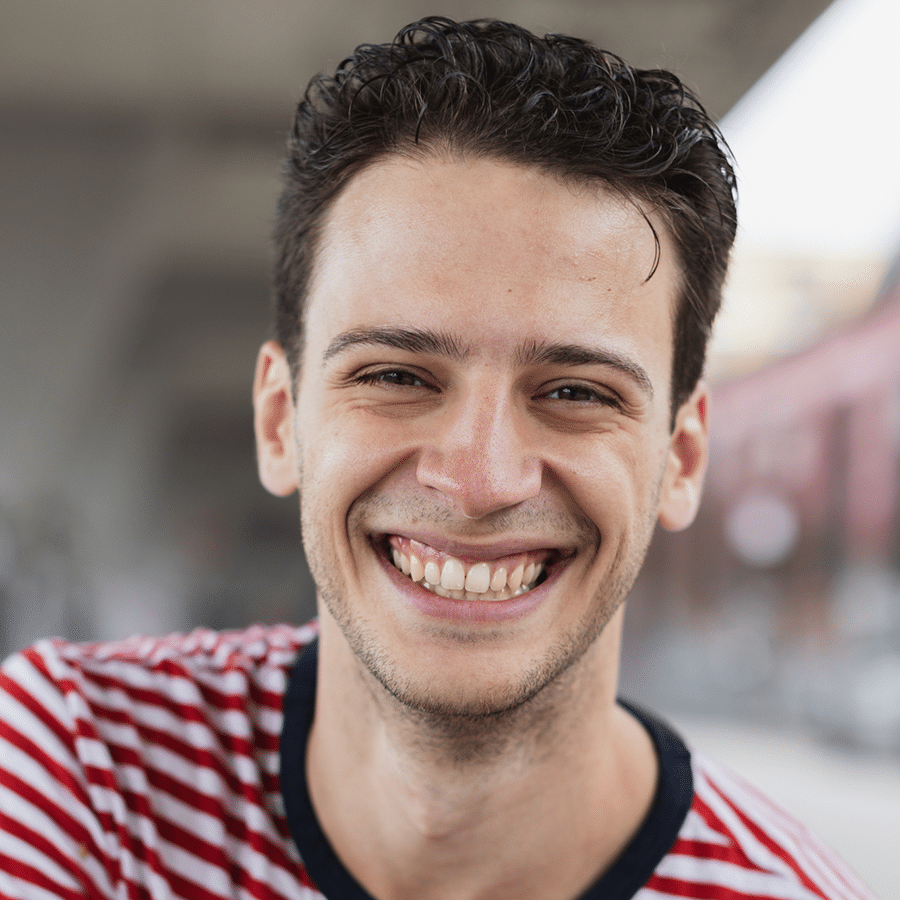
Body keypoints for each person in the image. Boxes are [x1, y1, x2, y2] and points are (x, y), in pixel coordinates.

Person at [0, 16, 874, 900]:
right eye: (396, 375)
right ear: (280, 420)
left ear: (680, 459)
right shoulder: (80, 768)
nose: (480, 480)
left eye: (575, 392)